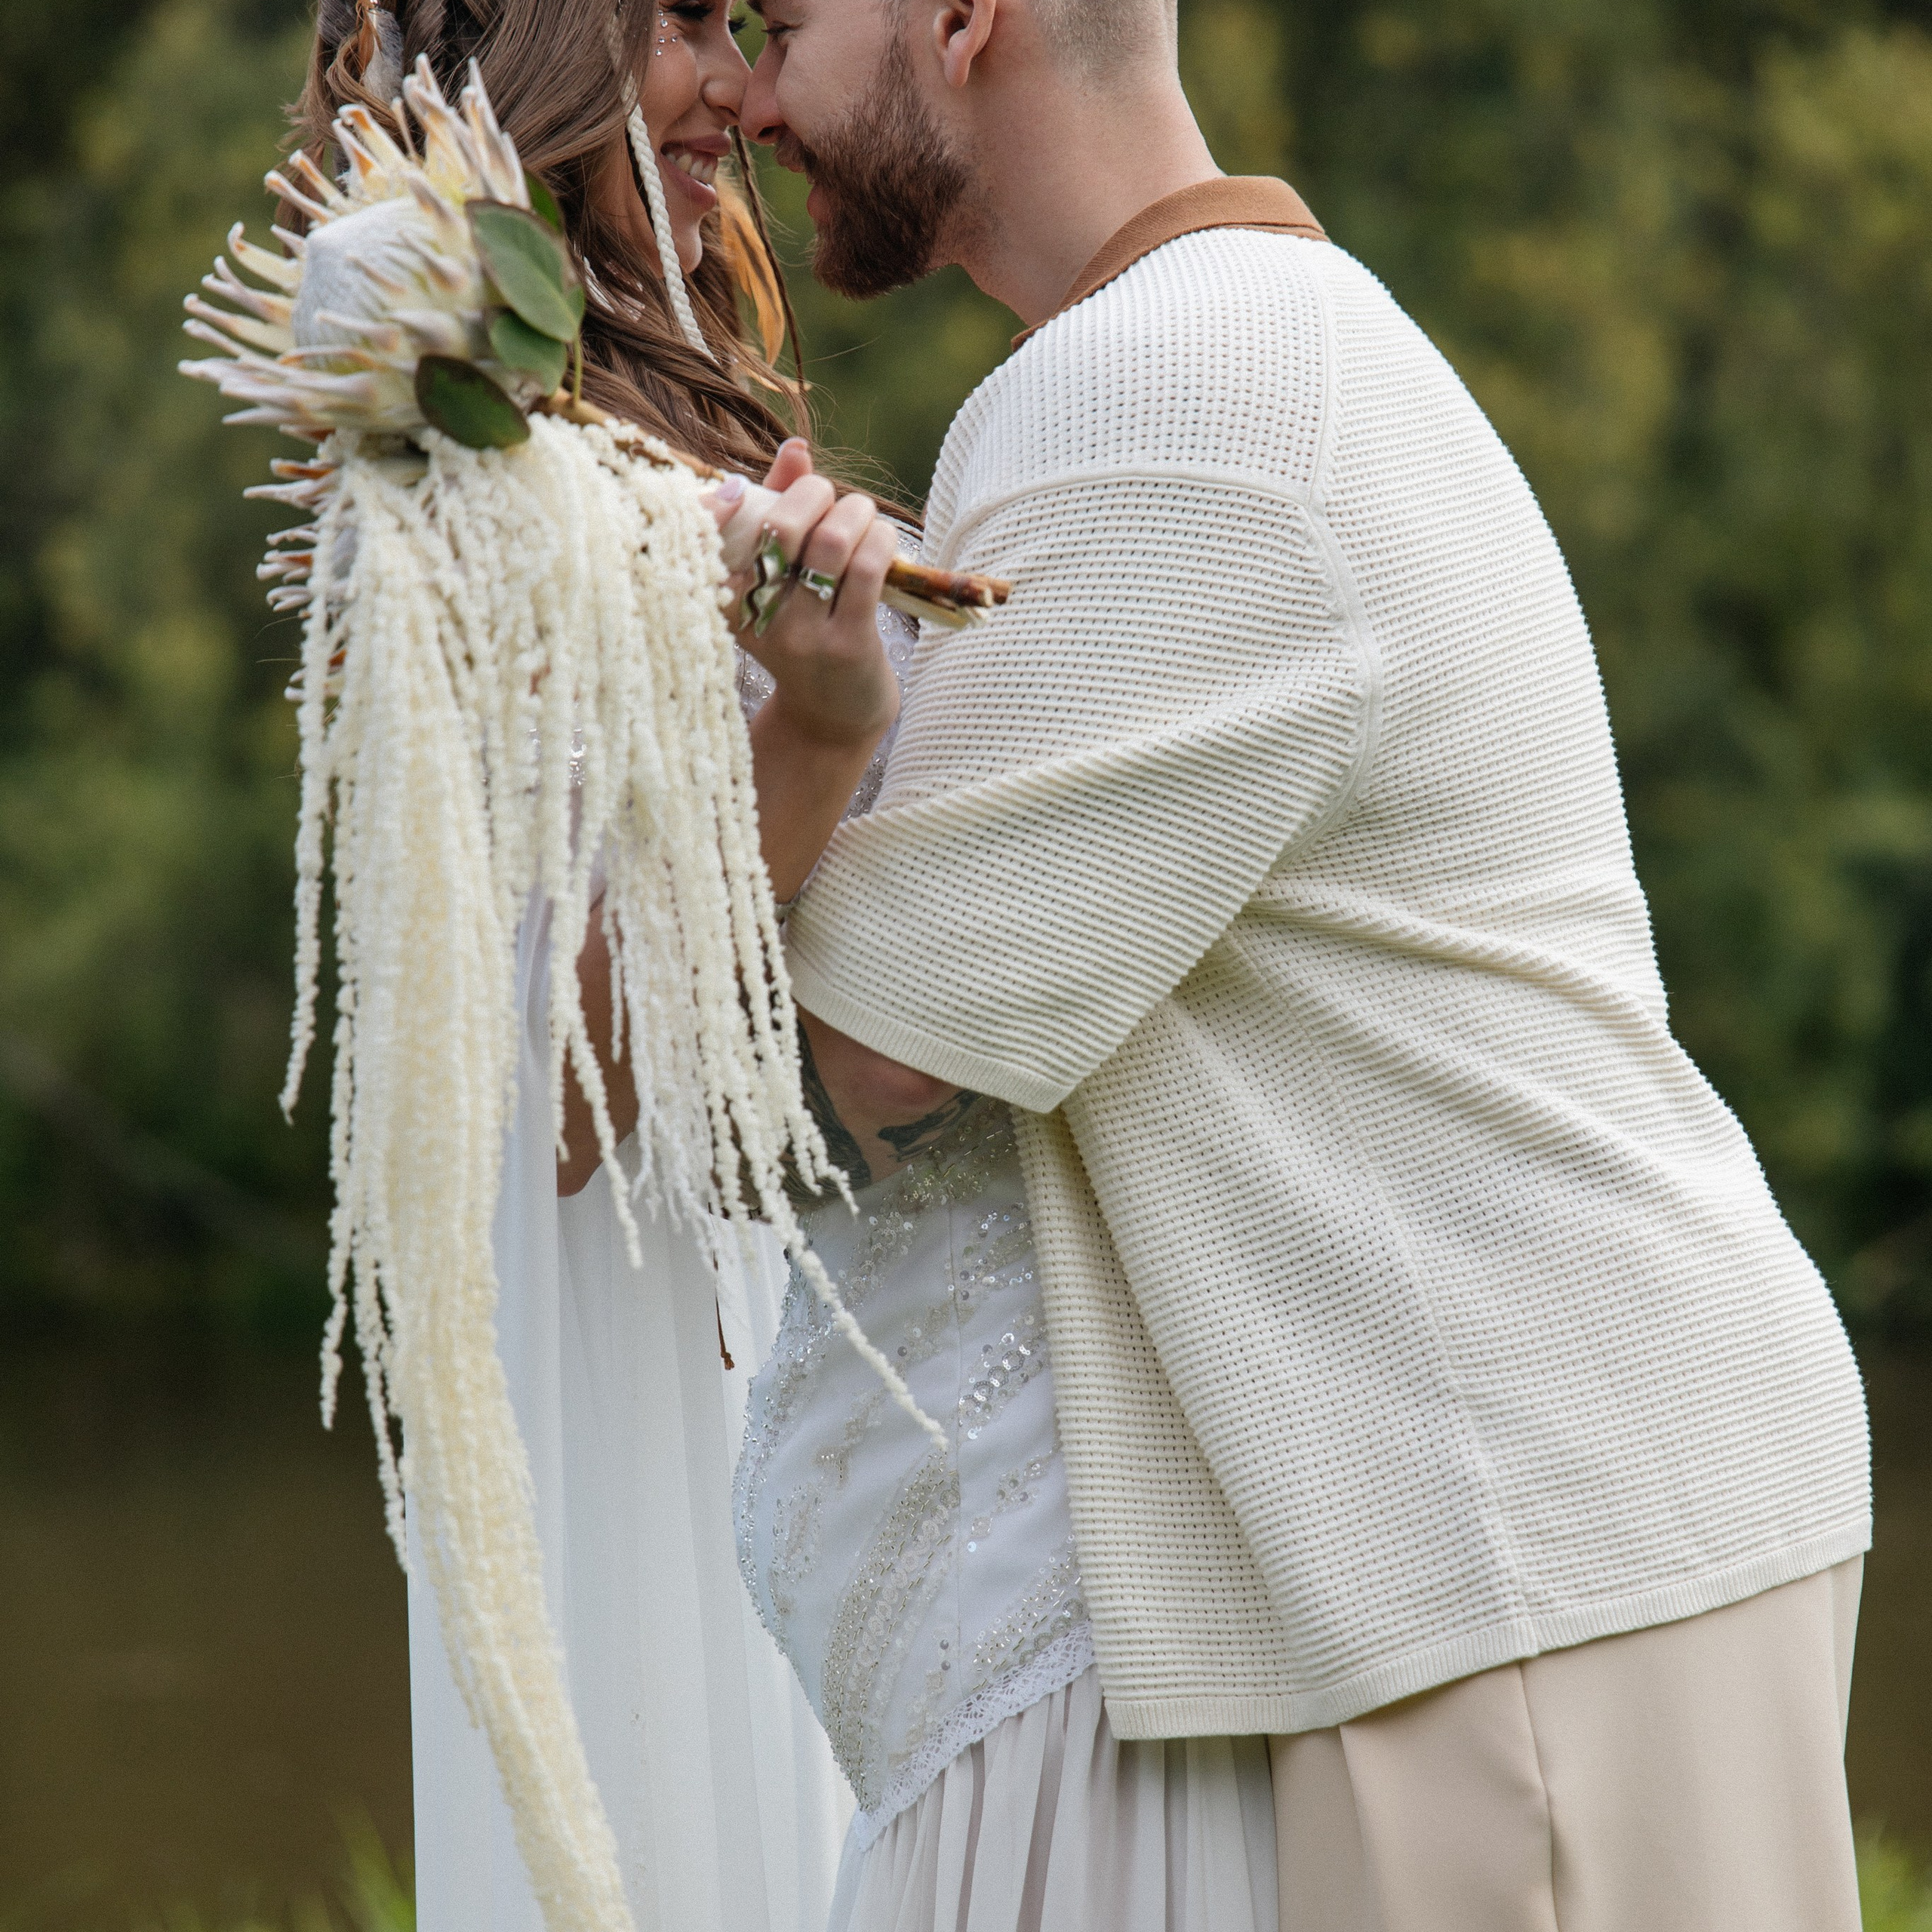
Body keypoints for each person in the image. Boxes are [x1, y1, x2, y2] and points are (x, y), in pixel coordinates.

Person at [713, 0, 1877, 1926]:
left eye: (784, 24)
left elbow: (870, 1059)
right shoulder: (1260, 336)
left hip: (1522, 1541)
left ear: (959, 17)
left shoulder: (1174, 388)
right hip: (1582, 1508)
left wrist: (785, 760)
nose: (751, 98)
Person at [293, 5, 907, 1929]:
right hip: (631, 1308)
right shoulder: (474, 466)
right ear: (556, 52)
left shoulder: (618, 417)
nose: (739, 85)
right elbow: (560, 1089)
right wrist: (809, 744)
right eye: (687, 26)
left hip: (758, 1255)